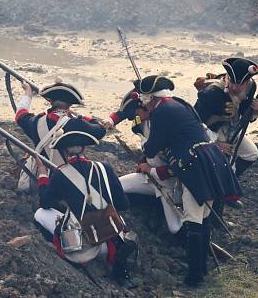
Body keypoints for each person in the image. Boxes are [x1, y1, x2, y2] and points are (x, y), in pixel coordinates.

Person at [136, 75, 242, 287]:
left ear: (152, 98)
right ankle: (201, 268)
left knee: (193, 219)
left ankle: (195, 276)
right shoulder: (180, 104)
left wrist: (145, 157)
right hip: (210, 159)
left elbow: (153, 145)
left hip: (195, 165)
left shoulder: (161, 112)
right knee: (202, 218)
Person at [33, 131, 137, 286]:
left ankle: (60, 253)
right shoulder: (105, 168)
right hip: (111, 239)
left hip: (82, 246)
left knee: (40, 214)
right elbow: (123, 204)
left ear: (65, 152)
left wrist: (42, 176)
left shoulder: (60, 174)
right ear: (83, 149)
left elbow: (45, 203)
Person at [109, 88, 185, 235]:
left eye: (138, 112)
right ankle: (151, 207)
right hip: (149, 178)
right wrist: (144, 163)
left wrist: (152, 169)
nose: (136, 117)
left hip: (169, 184)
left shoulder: (166, 126)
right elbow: (124, 112)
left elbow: (176, 165)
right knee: (117, 187)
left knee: (175, 227)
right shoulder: (143, 124)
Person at [14, 79, 107, 191]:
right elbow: (101, 129)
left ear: (51, 102)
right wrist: (78, 115)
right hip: (74, 180)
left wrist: (28, 92)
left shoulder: (36, 121)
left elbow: (20, 114)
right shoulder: (78, 124)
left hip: (44, 180)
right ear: (70, 104)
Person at [194, 58, 258, 178]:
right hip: (208, 132)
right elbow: (194, 123)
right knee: (224, 168)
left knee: (250, 153)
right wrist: (215, 144)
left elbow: (245, 114)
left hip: (230, 129)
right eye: (232, 82)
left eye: (239, 84)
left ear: (247, 82)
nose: (234, 88)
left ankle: (229, 179)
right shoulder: (213, 92)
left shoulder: (251, 87)